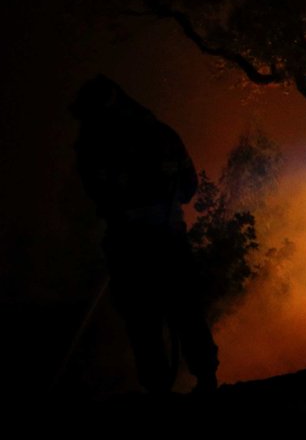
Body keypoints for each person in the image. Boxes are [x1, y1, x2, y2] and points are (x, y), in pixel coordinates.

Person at [70, 74, 219, 394]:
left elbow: (94, 193)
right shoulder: (163, 134)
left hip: (129, 245)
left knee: (143, 322)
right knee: (186, 311)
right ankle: (207, 379)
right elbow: (189, 185)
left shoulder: (93, 144)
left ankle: (158, 388)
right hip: (170, 240)